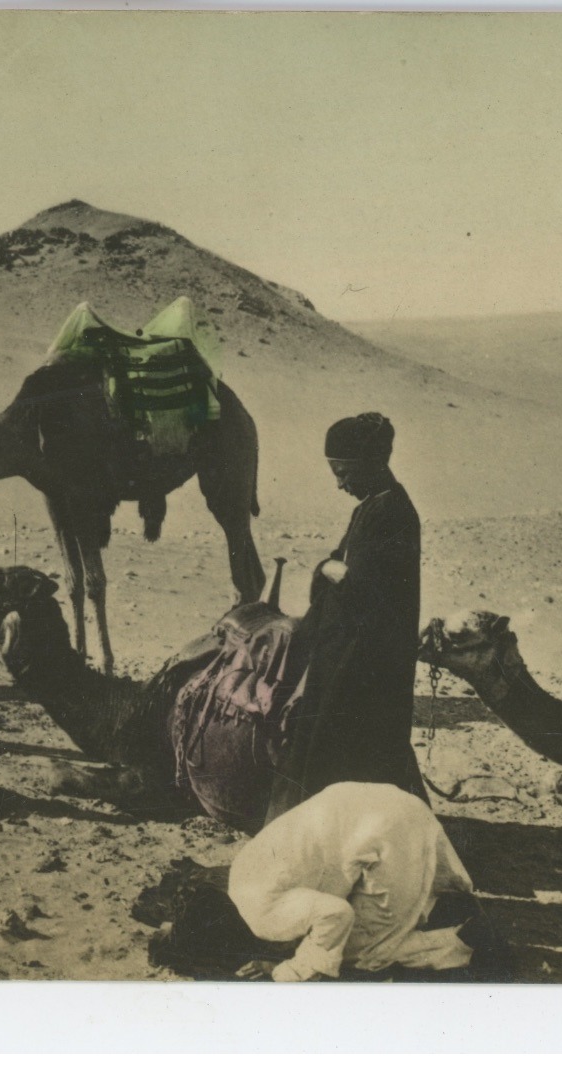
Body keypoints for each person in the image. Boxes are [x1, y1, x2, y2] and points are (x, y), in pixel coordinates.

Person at [266, 412, 427, 822]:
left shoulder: (391, 512)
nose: (339, 484)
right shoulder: (373, 506)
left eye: (343, 473)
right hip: (353, 657)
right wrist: (330, 570)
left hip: (363, 665)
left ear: (369, 464)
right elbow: (343, 565)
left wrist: (330, 571)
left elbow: (363, 591)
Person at [229, 782, 475, 982]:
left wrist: (290, 970)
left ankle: (460, 944)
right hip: (385, 802)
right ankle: (434, 908)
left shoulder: (263, 920)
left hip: (385, 833)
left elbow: (337, 914)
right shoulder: (238, 878)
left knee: (361, 952)